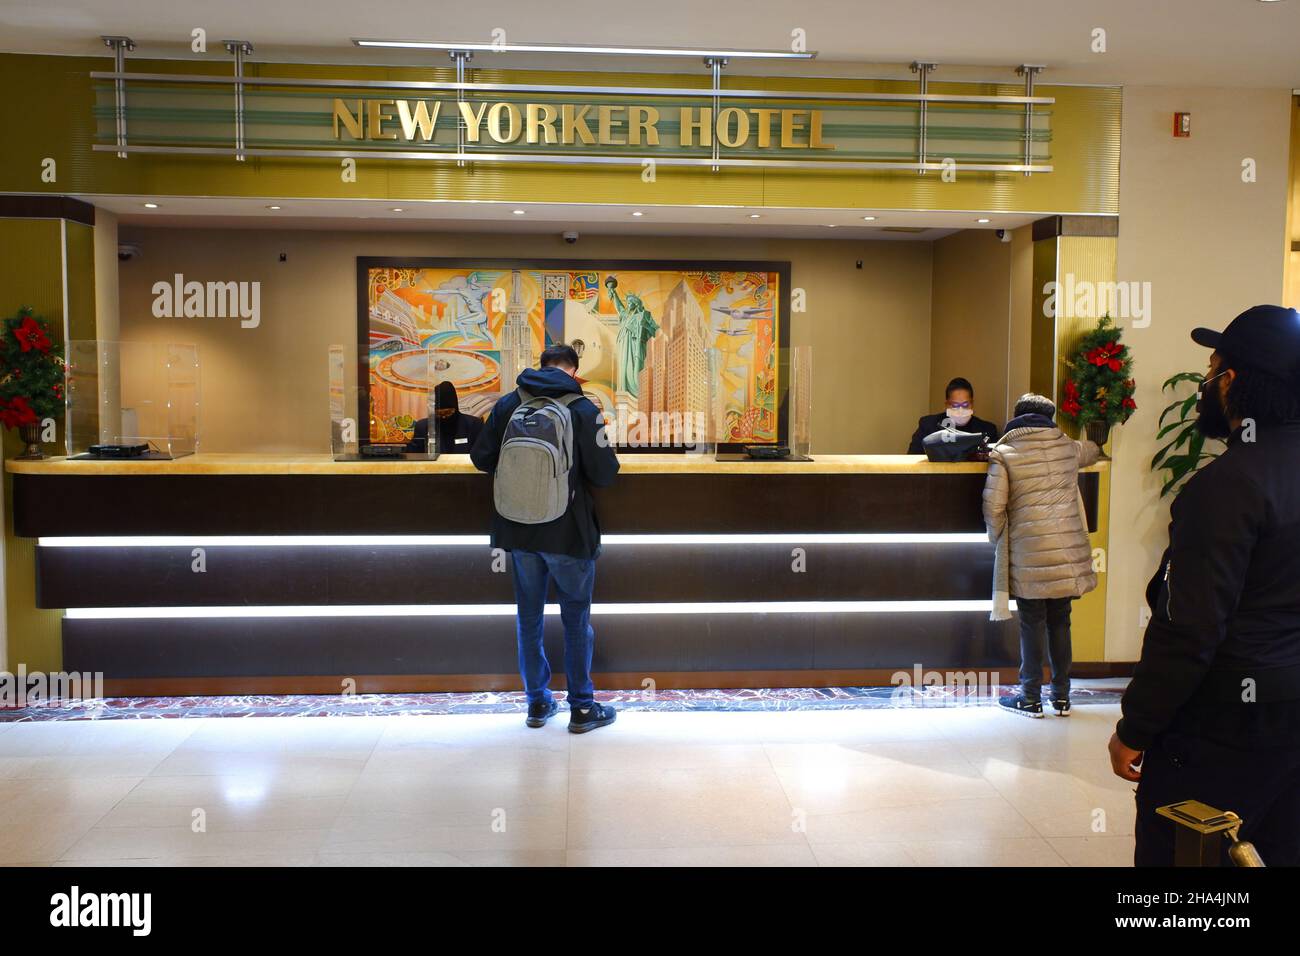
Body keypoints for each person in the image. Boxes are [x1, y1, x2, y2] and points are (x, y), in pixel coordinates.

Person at [1109, 304, 1300, 867]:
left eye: (1211, 369)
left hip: (1223, 728)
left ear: (1232, 382)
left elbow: (1189, 630)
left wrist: (1136, 727)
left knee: (1186, 878)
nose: (1204, 384)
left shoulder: (1226, 487)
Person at [470, 343, 621, 733]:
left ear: (541, 367)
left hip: (518, 529)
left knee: (529, 618)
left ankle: (537, 703)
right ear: (573, 370)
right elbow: (605, 473)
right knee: (575, 619)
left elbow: (481, 458)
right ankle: (582, 708)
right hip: (569, 533)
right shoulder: (583, 408)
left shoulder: (507, 403)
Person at [982, 393, 1099, 718]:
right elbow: (1091, 451)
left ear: (1018, 417)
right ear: (1050, 419)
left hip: (1029, 549)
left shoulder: (1004, 452)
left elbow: (994, 506)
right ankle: (1061, 698)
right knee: (1061, 621)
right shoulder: (1066, 446)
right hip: (1067, 552)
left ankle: (1030, 697)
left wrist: (999, 539)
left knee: (1032, 623)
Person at [907, 377, 1001, 453]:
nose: (960, 409)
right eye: (955, 405)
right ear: (946, 405)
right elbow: (912, 459)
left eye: (965, 405)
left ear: (972, 404)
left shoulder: (987, 430)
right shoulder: (928, 426)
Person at [406, 380, 484, 454]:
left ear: (455, 409)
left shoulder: (474, 425)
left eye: (447, 412)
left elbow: (480, 455)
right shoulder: (423, 427)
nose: (444, 417)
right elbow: (413, 455)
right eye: (439, 413)